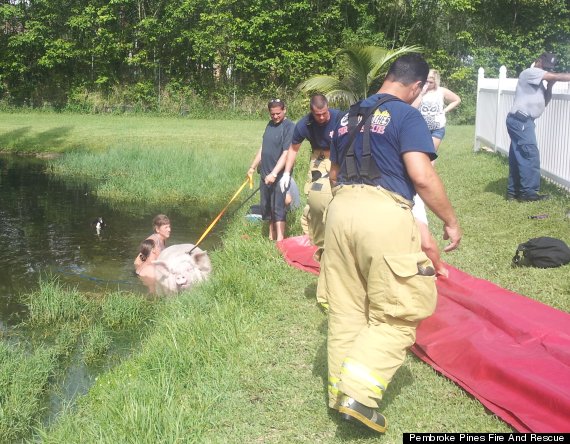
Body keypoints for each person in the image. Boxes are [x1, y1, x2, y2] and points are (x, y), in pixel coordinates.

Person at [319, 53, 462, 433]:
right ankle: (359, 395)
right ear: (416, 86)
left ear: (387, 76)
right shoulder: (406, 115)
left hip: (339, 210)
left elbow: (333, 172)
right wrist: (449, 221)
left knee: (347, 307)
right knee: (399, 313)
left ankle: (339, 394)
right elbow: (422, 175)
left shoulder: (348, 114)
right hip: (381, 214)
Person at [279, 94, 342, 249]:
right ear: (311, 112)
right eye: (317, 114)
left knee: (338, 195)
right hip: (318, 158)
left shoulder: (340, 118)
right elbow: (293, 149)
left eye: (324, 113)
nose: (321, 117)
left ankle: (337, 236)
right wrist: (286, 173)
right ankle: (313, 238)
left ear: (328, 107)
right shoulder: (304, 124)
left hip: (338, 156)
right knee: (314, 196)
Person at [506, 52, 570, 202]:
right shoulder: (530, 73)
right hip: (521, 120)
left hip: (521, 121)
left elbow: (545, 101)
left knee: (518, 156)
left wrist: (549, 87)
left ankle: (513, 193)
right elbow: (556, 76)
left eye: (549, 68)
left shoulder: (538, 81)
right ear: (538, 61)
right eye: (546, 67)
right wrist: (554, 78)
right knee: (530, 156)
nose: (547, 70)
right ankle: (529, 194)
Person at [247, 99, 295, 241]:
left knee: (278, 207)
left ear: (284, 110)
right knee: (267, 207)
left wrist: (274, 173)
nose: (275, 117)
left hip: (279, 175)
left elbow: (287, 153)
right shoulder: (269, 125)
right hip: (265, 173)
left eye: (278, 113)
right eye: (272, 114)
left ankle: (280, 240)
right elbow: (263, 148)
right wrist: (252, 167)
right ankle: (270, 237)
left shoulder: (289, 127)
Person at [412, 69, 461, 151]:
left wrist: (445, 110)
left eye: (430, 82)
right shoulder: (419, 90)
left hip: (437, 129)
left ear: (436, 82)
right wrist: (421, 93)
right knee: (420, 153)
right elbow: (412, 108)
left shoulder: (441, 91)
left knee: (431, 153)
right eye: (426, 81)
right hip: (421, 128)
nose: (427, 84)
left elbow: (457, 100)